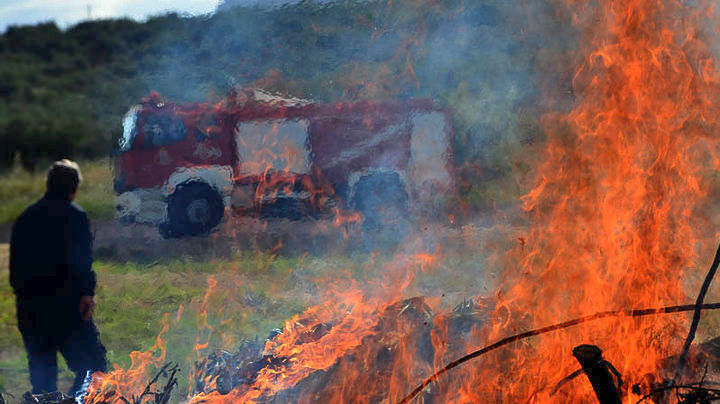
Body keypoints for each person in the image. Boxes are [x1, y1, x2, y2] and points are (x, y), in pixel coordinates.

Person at [9, 159, 107, 395]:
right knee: (94, 366)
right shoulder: (75, 217)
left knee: (43, 382)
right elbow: (83, 262)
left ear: (48, 185)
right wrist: (87, 293)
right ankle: (78, 400)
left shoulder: (26, 218)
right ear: (73, 189)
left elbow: (15, 272)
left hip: (31, 310)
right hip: (67, 310)